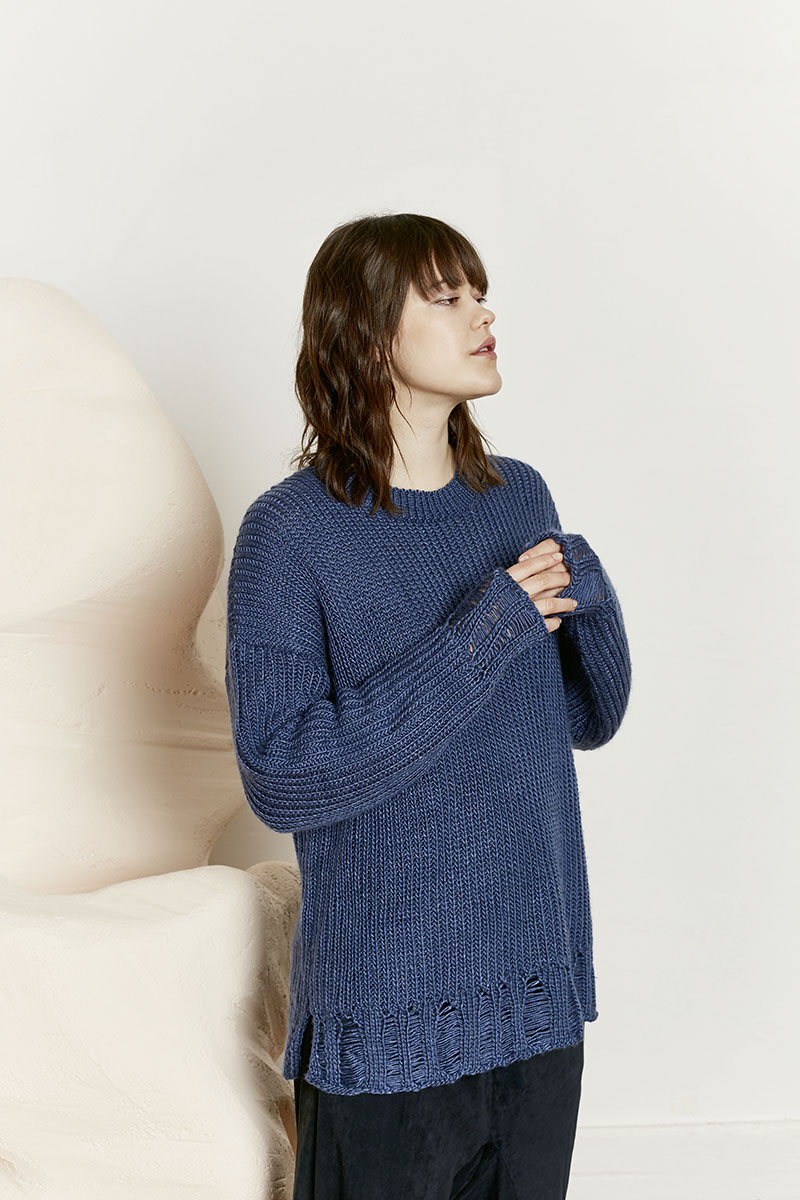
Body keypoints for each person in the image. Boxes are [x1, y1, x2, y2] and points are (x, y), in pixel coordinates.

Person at [225, 212, 632, 1198]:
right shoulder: (290, 534)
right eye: (446, 298)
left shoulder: (517, 499)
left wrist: (594, 599)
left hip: (536, 1008)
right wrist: (482, 632)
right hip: (385, 1028)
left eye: (479, 293)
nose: (482, 315)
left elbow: (586, 716)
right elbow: (282, 774)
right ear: (369, 337)